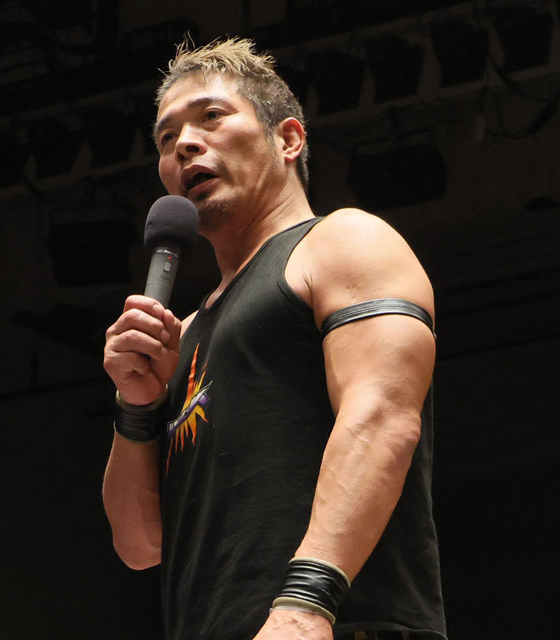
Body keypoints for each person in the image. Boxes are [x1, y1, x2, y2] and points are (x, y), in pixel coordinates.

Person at [102, 37, 446, 640]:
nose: (184, 144)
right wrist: (136, 406)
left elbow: (383, 418)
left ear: (288, 139)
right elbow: (140, 544)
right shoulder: (182, 336)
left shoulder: (342, 242)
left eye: (211, 116)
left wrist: (306, 604)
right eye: (166, 137)